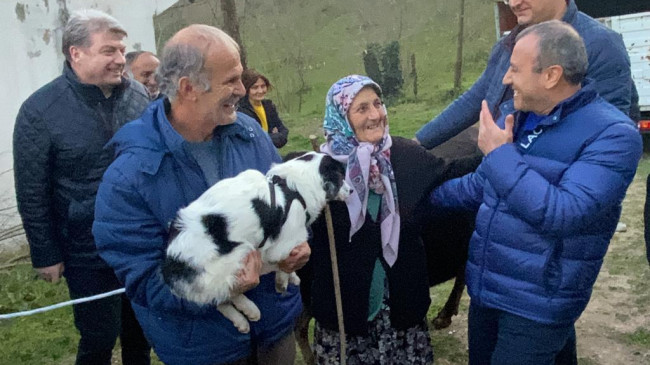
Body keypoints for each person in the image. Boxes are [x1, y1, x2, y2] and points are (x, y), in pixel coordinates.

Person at [92, 24, 310, 365]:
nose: (243, 89)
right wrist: (221, 287)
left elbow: (283, 201)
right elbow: (145, 280)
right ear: (189, 88)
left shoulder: (249, 134)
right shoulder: (130, 176)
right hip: (205, 349)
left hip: (274, 329)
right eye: (231, 80)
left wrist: (295, 243)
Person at [430, 21, 642, 364]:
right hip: (488, 289)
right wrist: (415, 202)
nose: (505, 78)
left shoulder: (613, 135)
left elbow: (565, 213)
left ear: (551, 75)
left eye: (515, 69)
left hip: (538, 305)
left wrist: (499, 154)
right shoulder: (521, 116)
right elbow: (478, 186)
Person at [308, 75, 480, 364]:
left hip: (402, 318)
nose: (375, 115)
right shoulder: (319, 173)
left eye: (378, 103)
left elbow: (455, 172)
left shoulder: (405, 156)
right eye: (362, 109)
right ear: (340, 116)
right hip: (345, 321)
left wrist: (494, 150)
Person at [13, 9, 151, 365]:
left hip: (139, 242)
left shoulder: (137, 96)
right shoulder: (39, 111)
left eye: (122, 50)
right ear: (76, 53)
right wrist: (46, 254)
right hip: (84, 250)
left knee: (142, 331)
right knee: (98, 337)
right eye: (109, 51)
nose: (121, 59)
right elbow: (32, 189)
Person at [415, 0, 634, 149]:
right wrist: (418, 143)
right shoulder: (507, 45)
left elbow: (610, 136)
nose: (513, 3)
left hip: (549, 187)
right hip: (497, 168)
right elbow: (475, 99)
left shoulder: (601, 45)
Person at [237, 69, 289, 148]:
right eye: (255, 87)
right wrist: (275, 136)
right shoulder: (242, 112)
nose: (260, 91)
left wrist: (273, 137)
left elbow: (284, 131)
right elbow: (255, 140)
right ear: (246, 89)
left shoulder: (269, 106)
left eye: (263, 86)